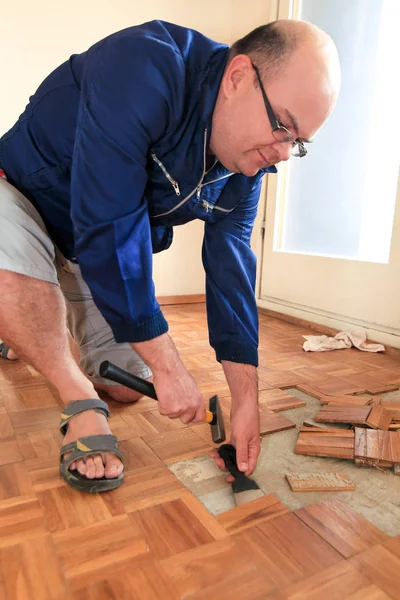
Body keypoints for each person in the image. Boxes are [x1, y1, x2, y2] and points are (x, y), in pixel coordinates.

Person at [0, 18, 340, 491]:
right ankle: (75, 396)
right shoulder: (144, 65)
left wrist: (246, 400)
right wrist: (169, 366)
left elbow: (232, 268)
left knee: (123, 385)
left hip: (82, 251)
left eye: (297, 143)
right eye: (283, 126)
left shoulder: (245, 167)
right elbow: (111, 226)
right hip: (18, 198)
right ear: (239, 76)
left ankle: (24, 324)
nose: (284, 153)